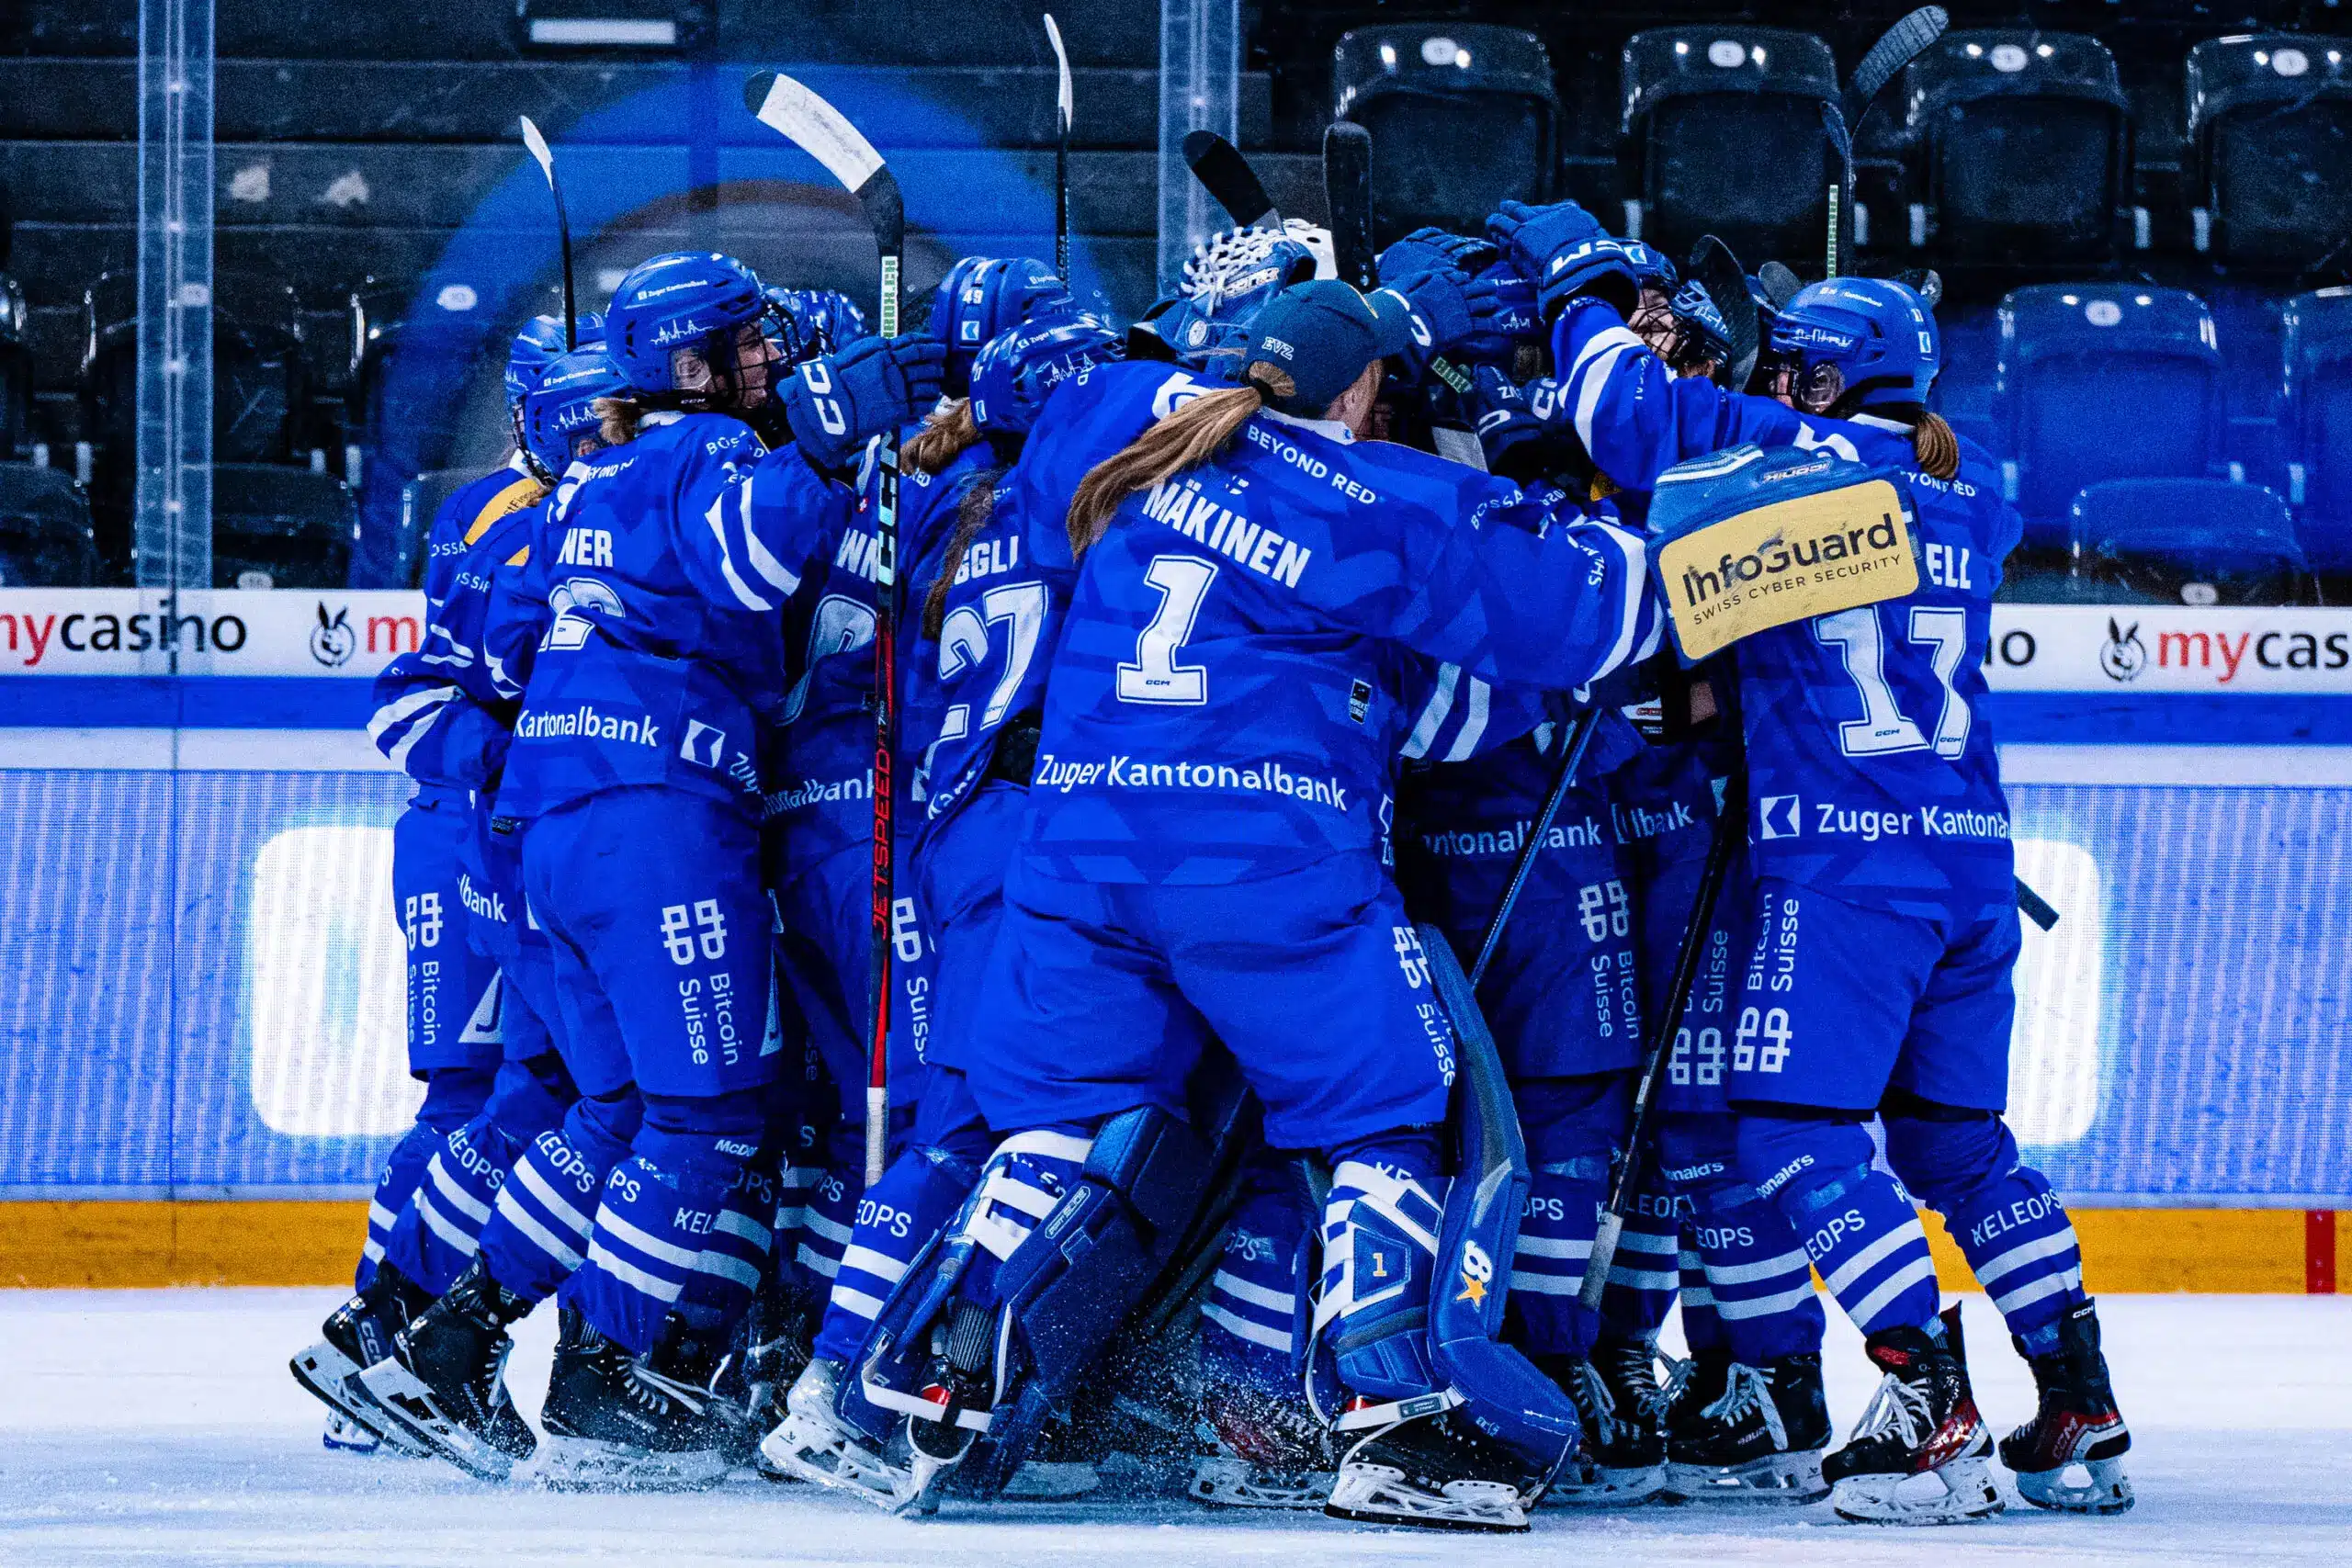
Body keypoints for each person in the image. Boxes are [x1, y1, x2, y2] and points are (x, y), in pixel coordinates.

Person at [859, 279, 1661, 1531]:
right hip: (1264, 861)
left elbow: (1065, 415)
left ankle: (954, 1370)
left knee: (1058, 1125)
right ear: (1361, 388)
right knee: (1387, 1110)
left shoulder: (1121, 419)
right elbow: (1596, 613)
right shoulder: (1377, 496)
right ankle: (1393, 1404)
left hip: (1077, 854)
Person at [1555, 250, 2130, 1521]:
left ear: (1823, 377)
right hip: (1969, 863)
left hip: (1845, 871)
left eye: (1788, 366)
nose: (1772, 384)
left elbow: (1627, 426)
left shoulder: (1796, 467)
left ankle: (1929, 1401)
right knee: (1956, 1144)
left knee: (1788, 1133)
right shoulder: (1976, 489)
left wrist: (1580, 296)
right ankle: (2076, 1393)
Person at [356, 251, 943, 1487]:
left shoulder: (588, 477)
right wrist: (832, 434)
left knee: (615, 1107)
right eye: (745, 342)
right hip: (657, 819)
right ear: (691, 362)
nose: (765, 358)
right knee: (709, 1113)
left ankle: (451, 1342)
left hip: (555, 827)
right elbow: (750, 563)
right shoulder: (703, 451)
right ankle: (599, 1374)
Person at [763, 310, 1127, 1500]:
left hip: (958, 831)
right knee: (977, 1126)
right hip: (1031, 839)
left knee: (966, 1121)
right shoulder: (1080, 504)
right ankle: (847, 1385)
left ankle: (887, 1380)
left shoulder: (942, 511)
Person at [288, 314, 599, 1457]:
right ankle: (381, 1343)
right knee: (480, 1097)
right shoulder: (516, 515)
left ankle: (383, 1347)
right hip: (474, 836)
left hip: (480, 831)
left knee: (503, 1094)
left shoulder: (503, 504)